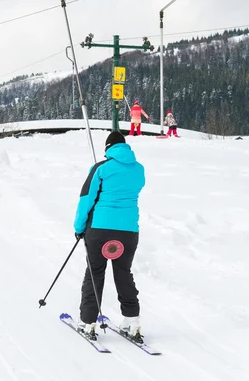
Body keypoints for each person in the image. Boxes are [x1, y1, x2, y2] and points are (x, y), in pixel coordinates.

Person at [73, 131, 146, 343]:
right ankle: (132, 322)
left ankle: (88, 322)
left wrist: (79, 227)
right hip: (129, 232)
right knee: (123, 272)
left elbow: (86, 199)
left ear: (108, 148)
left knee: (95, 272)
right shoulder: (139, 169)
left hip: (100, 229)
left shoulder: (101, 168)